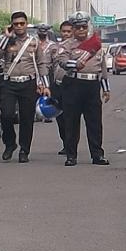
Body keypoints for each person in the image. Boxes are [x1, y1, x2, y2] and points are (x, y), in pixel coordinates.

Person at [0, 11, 50, 163]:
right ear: (12, 25)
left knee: (26, 118)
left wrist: (45, 85)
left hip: (28, 83)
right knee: (6, 114)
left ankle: (24, 150)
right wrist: (6, 37)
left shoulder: (34, 42)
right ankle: (10, 144)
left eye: (21, 23)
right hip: (9, 83)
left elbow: (41, 63)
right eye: (16, 24)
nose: (19, 26)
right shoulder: (6, 41)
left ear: (26, 24)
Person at [55, 11, 110, 166]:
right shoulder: (66, 45)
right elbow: (62, 61)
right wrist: (75, 64)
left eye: (84, 27)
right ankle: (71, 155)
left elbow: (102, 68)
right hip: (73, 84)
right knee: (71, 122)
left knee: (95, 122)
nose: (81, 30)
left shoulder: (96, 44)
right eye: (78, 27)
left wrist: (106, 89)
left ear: (87, 27)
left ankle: (97, 155)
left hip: (92, 86)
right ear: (73, 28)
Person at [52, 21, 74, 154]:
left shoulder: (77, 48)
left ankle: (71, 145)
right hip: (57, 86)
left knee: (70, 117)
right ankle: (65, 143)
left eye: (68, 31)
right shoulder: (55, 48)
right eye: (64, 31)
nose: (66, 34)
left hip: (72, 86)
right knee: (59, 117)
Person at [36, 24, 60, 123]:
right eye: (40, 31)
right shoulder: (33, 43)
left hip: (48, 71)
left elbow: (56, 61)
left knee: (47, 92)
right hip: (34, 71)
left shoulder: (52, 45)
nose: (42, 33)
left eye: (44, 31)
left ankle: (47, 113)